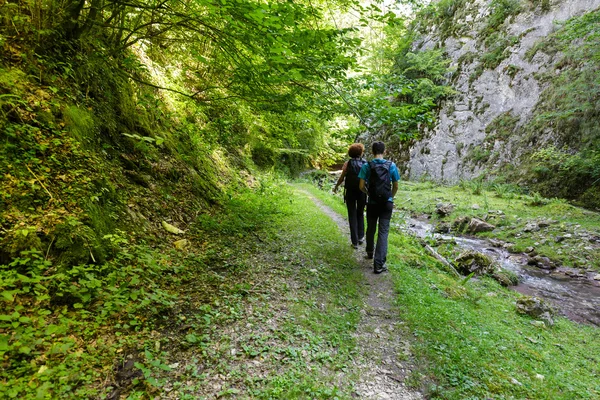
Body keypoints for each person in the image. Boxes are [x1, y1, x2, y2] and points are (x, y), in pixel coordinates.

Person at [358, 141, 400, 274]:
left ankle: (370, 251)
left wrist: (368, 193)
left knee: (371, 228)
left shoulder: (367, 166)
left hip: (372, 203)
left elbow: (361, 186)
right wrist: (390, 197)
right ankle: (379, 264)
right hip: (386, 204)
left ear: (372, 151)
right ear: (385, 151)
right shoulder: (391, 165)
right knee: (383, 232)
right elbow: (396, 185)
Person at [334, 143, 367, 249]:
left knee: (352, 215)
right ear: (361, 152)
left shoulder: (348, 163)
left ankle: (354, 241)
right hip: (362, 191)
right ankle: (361, 237)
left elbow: (342, 177)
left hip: (350, 192)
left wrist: (336, 187)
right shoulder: (365, 163)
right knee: (360, 213)